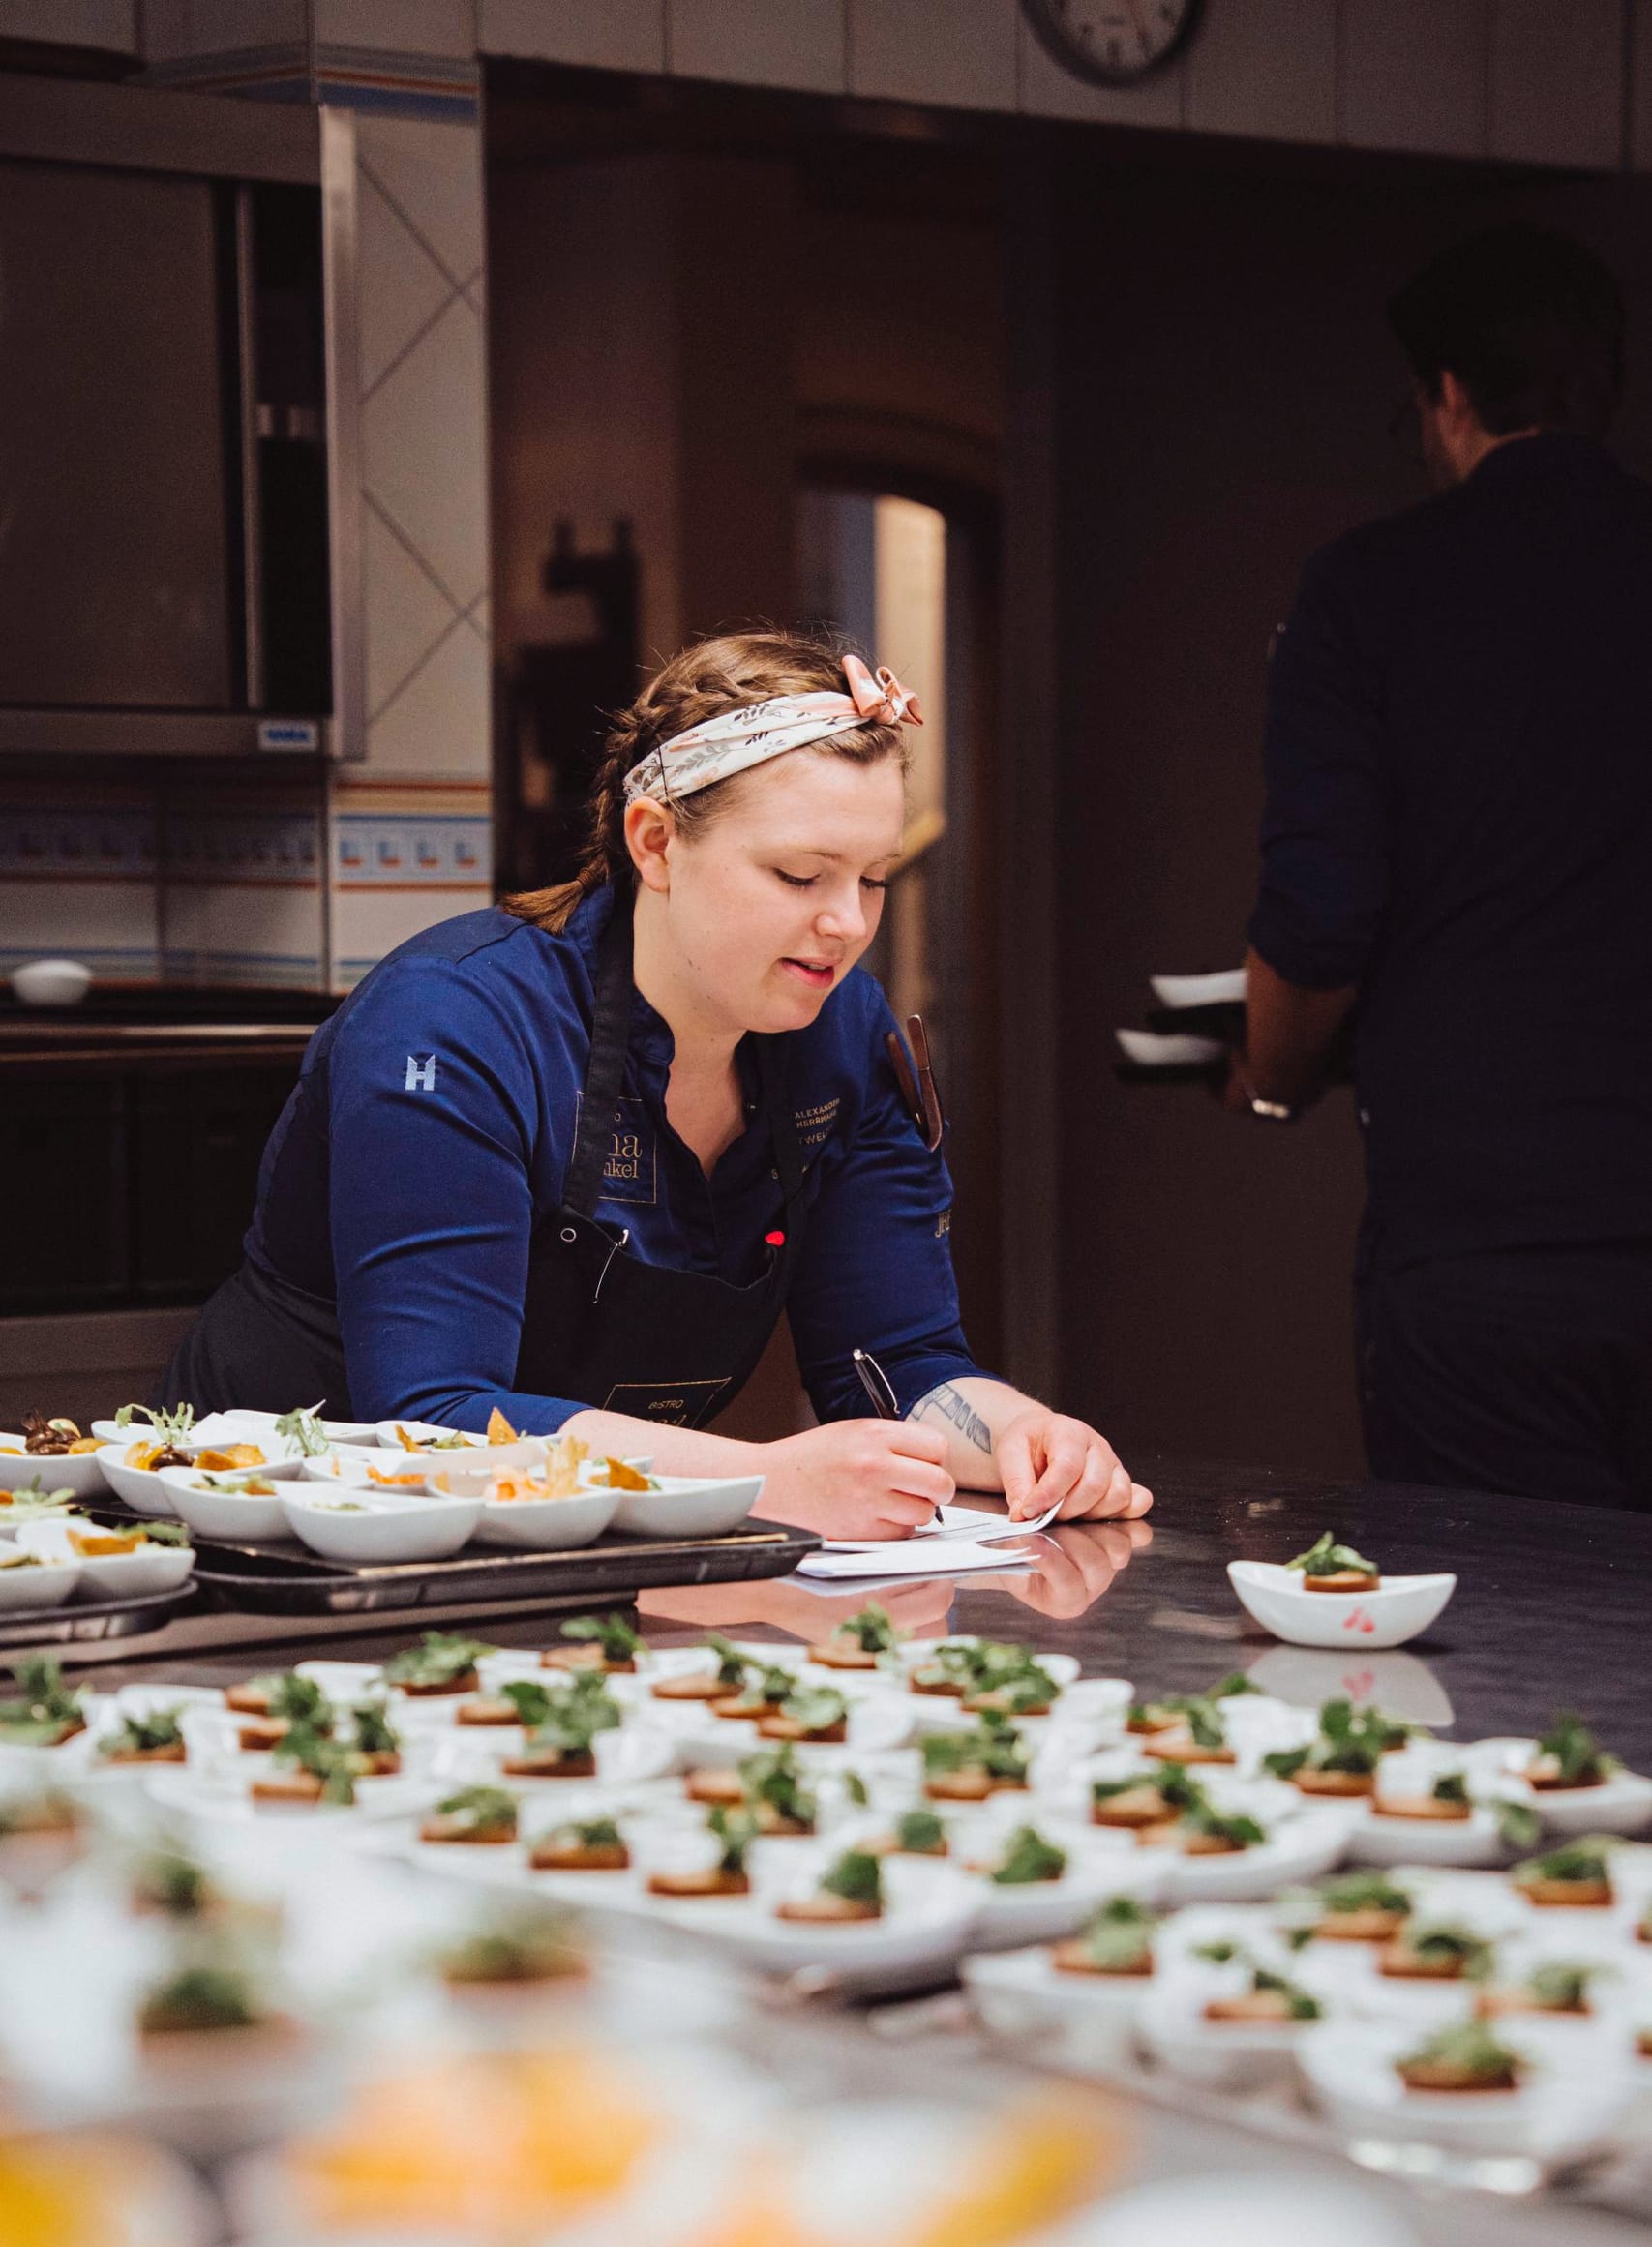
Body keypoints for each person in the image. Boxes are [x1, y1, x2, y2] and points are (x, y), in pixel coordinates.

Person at [168, 632, 1151, 1540]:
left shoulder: (844, 1034)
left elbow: (898, 1363)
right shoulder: (454, 1024)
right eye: (799, 875)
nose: (849, 924)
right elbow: (434, 1421)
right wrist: (764, 1478)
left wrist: (1019, 1434)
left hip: (584, 1548)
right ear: (654, 843)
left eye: (873, 878)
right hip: (284, 1533)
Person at [1229, 222, 1652, 1509]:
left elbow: (1319, 916)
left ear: (1449, 394)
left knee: (1516, 1616)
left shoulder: (1370, 593)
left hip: (1487, 1246)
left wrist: (1269, 1072)